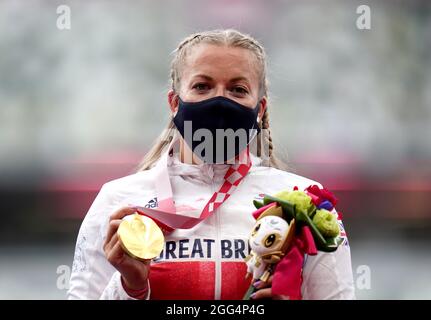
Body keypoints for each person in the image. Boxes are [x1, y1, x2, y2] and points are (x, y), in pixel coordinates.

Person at [67, 29, 355, 300]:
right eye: (202, 86)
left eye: (237, 89)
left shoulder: (306, 204)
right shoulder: (119, 203)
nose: (219, 100)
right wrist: (131, 287)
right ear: (174, 103)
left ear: (260, 108)